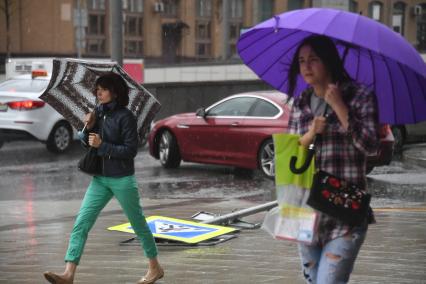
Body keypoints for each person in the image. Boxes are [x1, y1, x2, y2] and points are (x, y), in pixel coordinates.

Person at [43, 72, 164, 284]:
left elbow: (130, 150)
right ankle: (69, 273)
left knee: (138, 224)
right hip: (100, 178)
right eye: (97, 89)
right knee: (82, 222)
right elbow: (85, 142)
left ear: (115, 92)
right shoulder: (98, 112)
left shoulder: (126, 117)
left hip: (122, 179)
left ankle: (155, 268)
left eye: (103, 89)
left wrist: (103, 145)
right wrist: (87, 127)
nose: (98, 92)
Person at [286, 35, 380, 283]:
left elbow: (370, 146)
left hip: (344, 212)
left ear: (328, 61)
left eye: (314, 59)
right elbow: (290, 153)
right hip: (306, 212)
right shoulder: (301, 103)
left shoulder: (360, 96)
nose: (306, 66)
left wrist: (339, 106)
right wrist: (311, 133)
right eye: (302, 60)